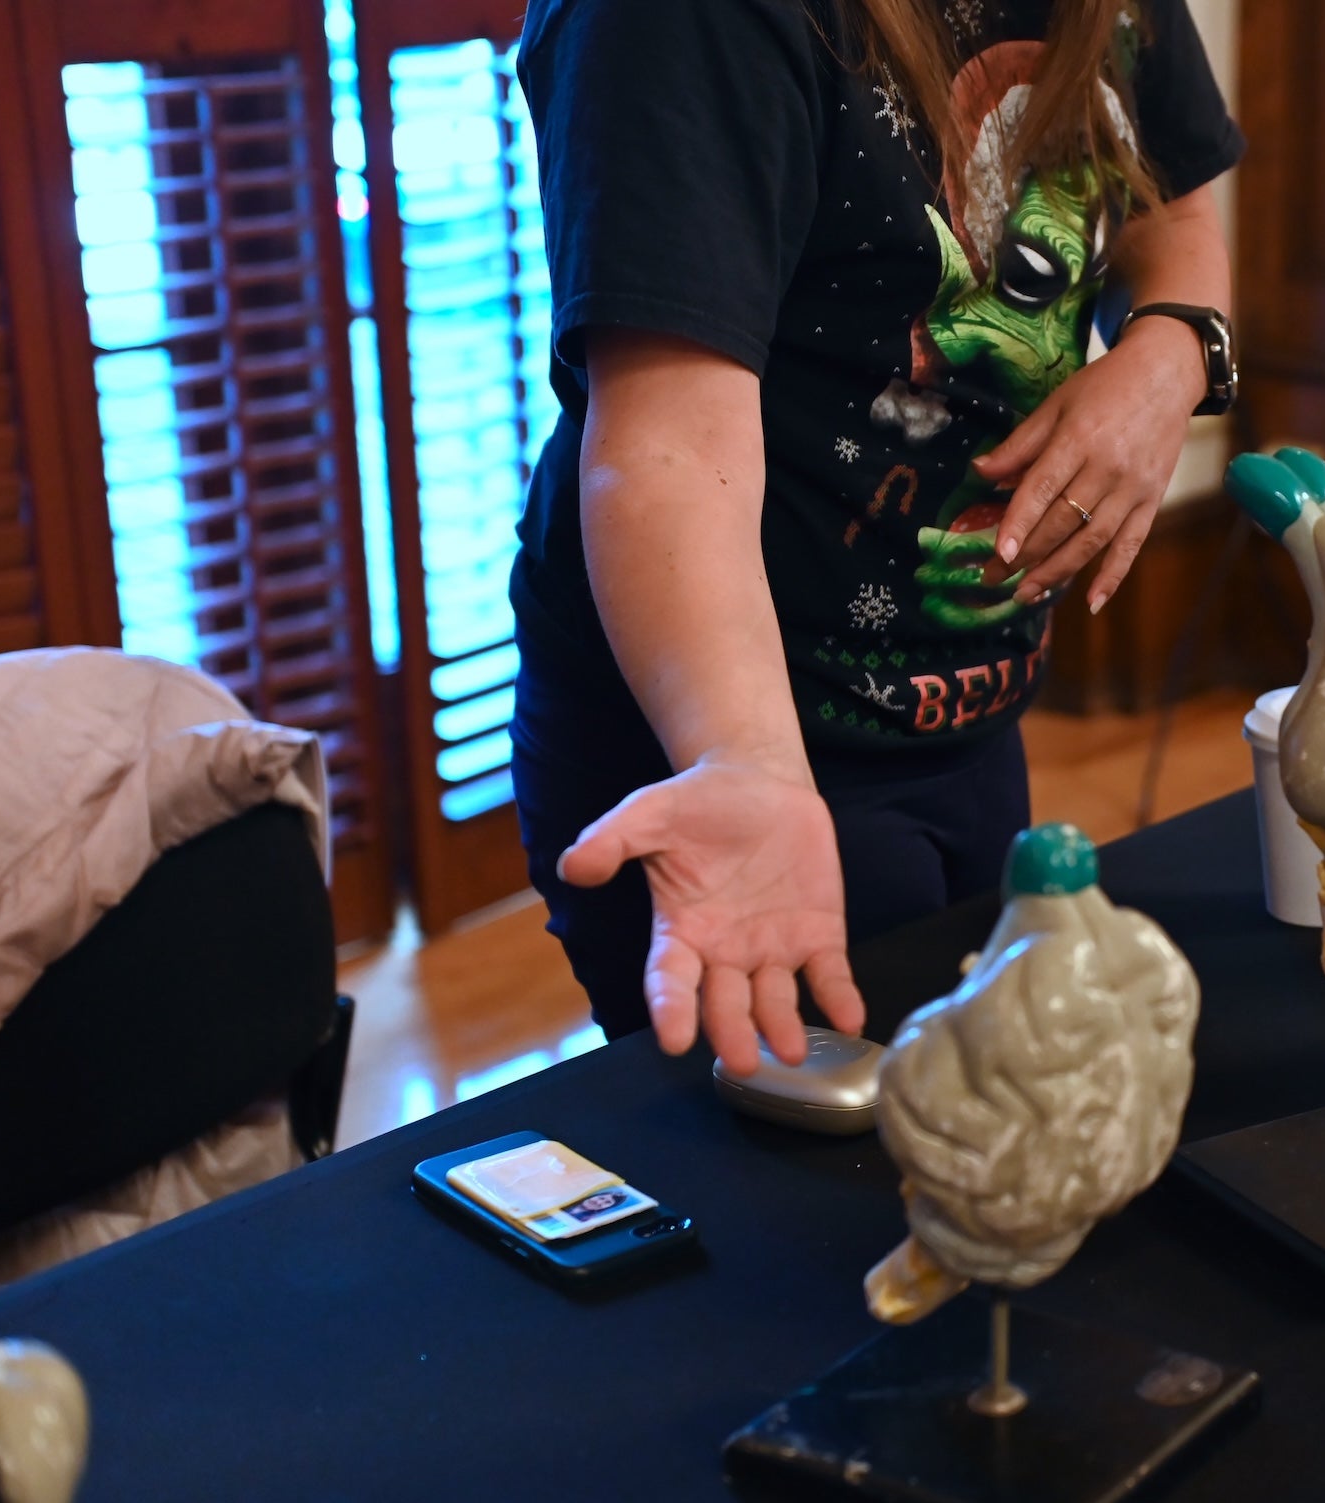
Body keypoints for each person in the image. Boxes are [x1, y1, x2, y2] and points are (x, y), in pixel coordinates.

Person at [507, 0, 1242, 1071]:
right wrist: (745, 762)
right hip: (745, 750)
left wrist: (1174, 354)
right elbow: (666, 446)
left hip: (966, 709)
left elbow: (1172, 216)